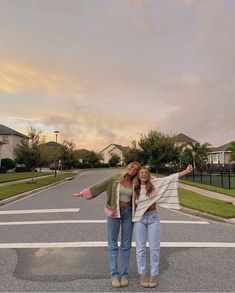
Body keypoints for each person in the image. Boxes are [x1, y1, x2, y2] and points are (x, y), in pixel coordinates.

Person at [72, 162, 141, 288]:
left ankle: (124, 274)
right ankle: (114, 275)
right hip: (114, 213)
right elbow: (99, 186)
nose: (133, 170)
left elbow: (150, 187)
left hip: (128, 214)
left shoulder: (136, 183)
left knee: (126, 245)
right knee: (113, 245)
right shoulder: (115, 179)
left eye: (136, 169)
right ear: (128, 167)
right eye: (132, 167)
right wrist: (82, 193)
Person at [133, 164, 193, 288]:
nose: (143, 174)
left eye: (146, 173)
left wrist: (186, 171)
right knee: (140, 249)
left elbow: (170, 178)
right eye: (141, 173)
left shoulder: (154, 184)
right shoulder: (135, 188)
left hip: (153, 218)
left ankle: (154, 274)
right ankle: (143, 274)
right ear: (138, 176)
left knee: (154, 248)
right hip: (140, 219)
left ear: (148, 175)